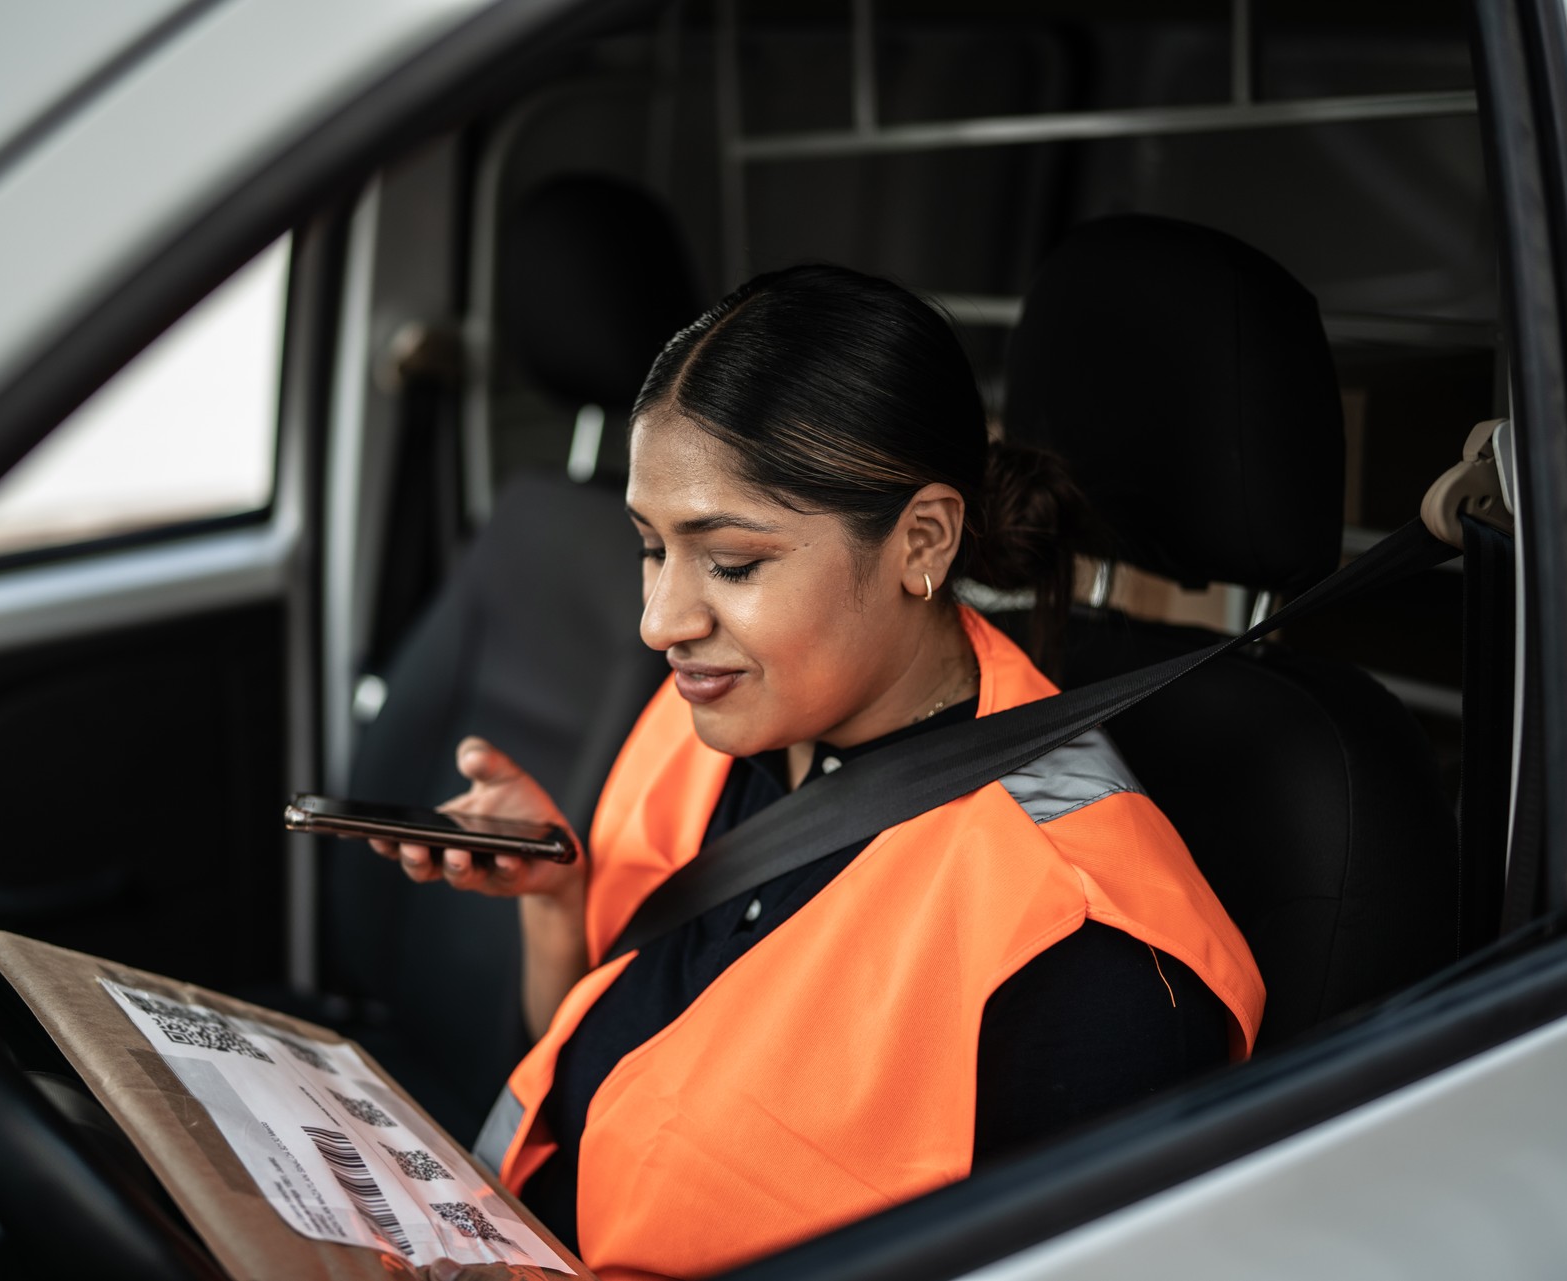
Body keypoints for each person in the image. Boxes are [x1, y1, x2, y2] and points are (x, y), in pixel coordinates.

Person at [375, 264, 1264, 1281]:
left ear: (921, 541)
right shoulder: (707, 720)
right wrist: (557, 897)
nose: (659, 620)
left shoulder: (1082, 953)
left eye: (733, 563)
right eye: (649, 550)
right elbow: (602, 1078)